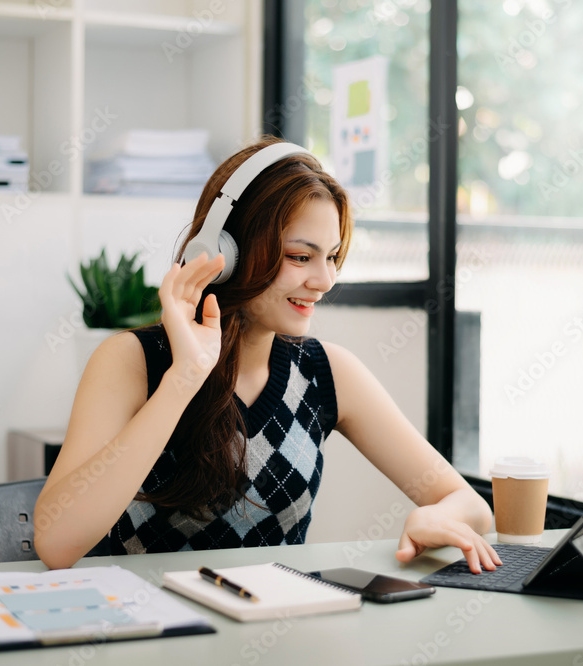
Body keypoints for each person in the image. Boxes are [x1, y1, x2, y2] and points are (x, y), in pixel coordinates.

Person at [34, 136, 501, 574]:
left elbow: (470, 504)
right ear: (223, 251)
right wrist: (184, 377)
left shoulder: (326, 372)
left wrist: (436, 519)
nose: (324, 281)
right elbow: (56, 544)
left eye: (332, 258)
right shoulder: (132, 361)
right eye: (301, 257)